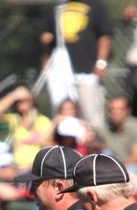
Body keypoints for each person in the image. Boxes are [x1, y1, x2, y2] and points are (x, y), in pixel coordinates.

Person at [40, 0, 113, 132]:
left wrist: (101, 63)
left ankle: (94, 142)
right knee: (61, 116)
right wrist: (46, 59)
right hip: (61, 72)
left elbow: (105, 36)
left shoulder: (95, 5)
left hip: (87, 72)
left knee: (91, 117)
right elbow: (48, 38)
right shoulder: (58, 6)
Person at [0, 86, 52, 173]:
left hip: (35, 168)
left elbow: (48, 148)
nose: (20, 103)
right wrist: (12, 96)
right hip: (16, 168)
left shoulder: (42, 121)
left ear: (31, 100)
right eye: (17, 101)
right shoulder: (15, 120)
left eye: (24, 100)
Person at [95, 96, 137, 177]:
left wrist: (117, 165)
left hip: (131, 166)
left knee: (132, 170)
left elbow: (136, 158)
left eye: (120, 109)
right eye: (113, 109)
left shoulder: (136, 127)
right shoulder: (103, 130)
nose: (116, 113)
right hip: (111, 164)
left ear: (128, 111)